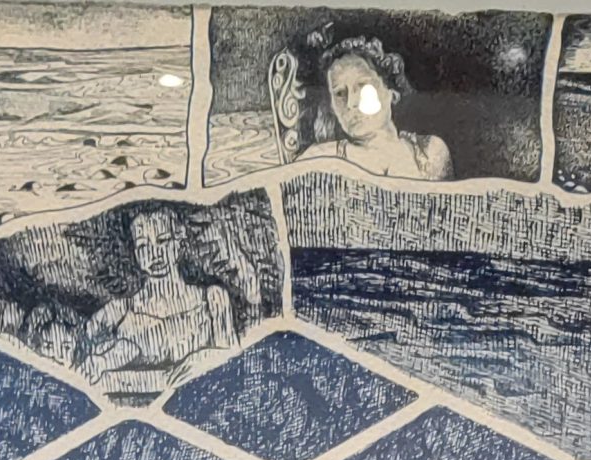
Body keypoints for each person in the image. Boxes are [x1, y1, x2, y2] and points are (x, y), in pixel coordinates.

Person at [77, 206, 243, 390]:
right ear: (135, 254)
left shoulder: (213, 298)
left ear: (179, 244)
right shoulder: (119, 311)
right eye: (143, 245)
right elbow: (82, 363)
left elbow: (232, 363)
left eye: (163, 240)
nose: (154, 253)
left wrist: (198, 360)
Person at [270, 34, 453, 180]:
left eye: (363, 87)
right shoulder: (318, 159)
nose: (351, 103)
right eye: (340, 93)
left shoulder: (430, 152)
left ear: (391, 92)